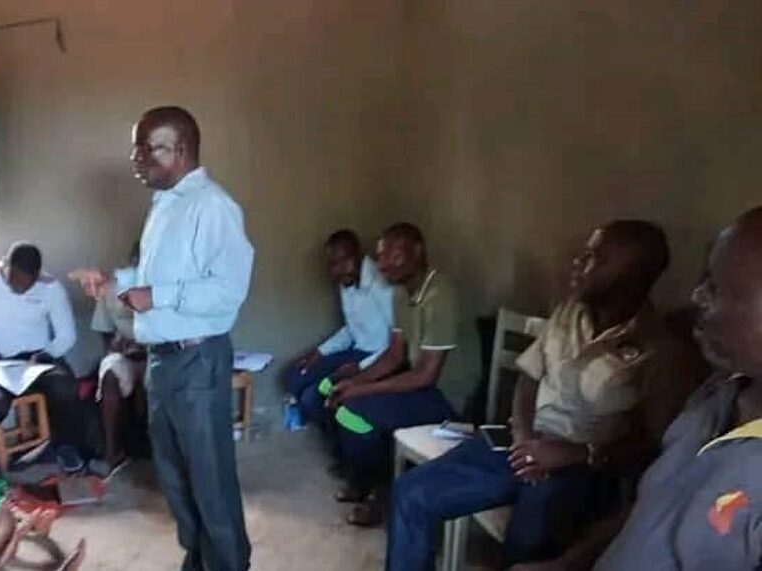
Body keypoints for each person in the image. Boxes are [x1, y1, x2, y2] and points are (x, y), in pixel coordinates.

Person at [385, 220, 685, 571]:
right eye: (583, 253)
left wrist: (576, 453)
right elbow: (528, 378)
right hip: (522, 445)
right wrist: (524, 438)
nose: (578, 262)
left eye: (595, 258)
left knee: (532, 530)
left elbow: (654, 444)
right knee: (411, 492)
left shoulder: (660, 350)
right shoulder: (568, 312)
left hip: (584, 469)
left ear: (635, 276)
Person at [512, 207, 762, 571]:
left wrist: (583, 454)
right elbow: (654, 509)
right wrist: (567, 564)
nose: (695, 297)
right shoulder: (716, 396)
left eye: (715, 287)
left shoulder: (661, 354)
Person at [73, 106, 254, 571]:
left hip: (197, 360)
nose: (136, 158)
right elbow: (154, 278)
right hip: (163, 362)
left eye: (147, 148)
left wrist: (158, 295)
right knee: (175, 478)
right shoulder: (166, 205)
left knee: (210, 481)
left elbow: (228, 289)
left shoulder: (212, 206)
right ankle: (198, 561)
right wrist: (113, 281)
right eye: (136, 147)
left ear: (181, 150)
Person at [326, 223, 460, 527]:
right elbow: (394, 355)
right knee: (346, 406)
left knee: (357, 413)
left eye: (393, 256)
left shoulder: (440, 294)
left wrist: (360, 392)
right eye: (381, 256)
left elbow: (427, 375)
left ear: (417, 252)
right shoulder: (402, 293)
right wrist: (354, 382)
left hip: (447, 400)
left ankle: (379, 494)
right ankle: (366, 484)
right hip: (419, 386)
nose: (383, 264)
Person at [0, 242, 85, 475]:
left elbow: (66, 334)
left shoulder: (50, 287)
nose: (20, 289)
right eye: (15, 281)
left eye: (28, 284)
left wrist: (46, 355)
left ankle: (65, 446)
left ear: (37, 274)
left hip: (39, 358)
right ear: (5, 265)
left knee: (66, 390)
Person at [287, 229, 394, 426]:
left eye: (339, 263)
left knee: (312, 398)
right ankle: (330, 416)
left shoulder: (380, 284)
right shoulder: (346, 282)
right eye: (331, 264)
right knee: (296, 375)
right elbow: (351, 328)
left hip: (377, 359)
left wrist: (360, 368)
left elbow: (396, 342)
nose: (333, 271)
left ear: (354, 257)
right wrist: (319, 352)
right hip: (355, 352)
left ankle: (338, 431)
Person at [85, 242, 146, 478]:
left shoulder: (165, 288)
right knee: (110, 373)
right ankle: (112, 450)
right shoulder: (112, 289)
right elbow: (104, 329)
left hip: (158, 355)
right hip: (126, 355)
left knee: (153, 382)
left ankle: (152, 448)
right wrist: (115, 346)